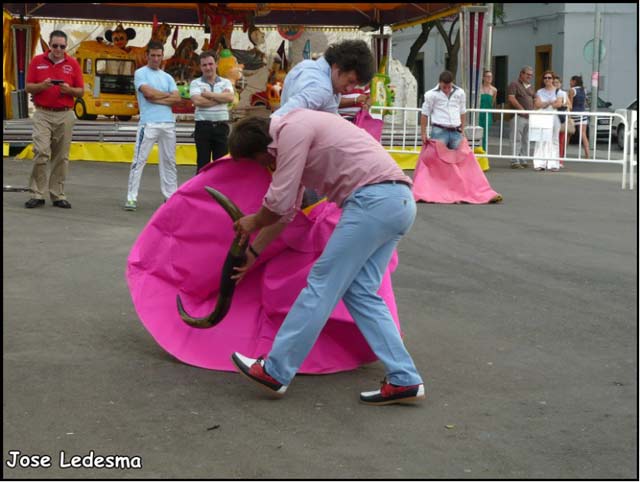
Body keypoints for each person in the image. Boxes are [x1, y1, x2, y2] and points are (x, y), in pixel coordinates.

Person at [227, 111, 424, 406]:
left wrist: (253, 222)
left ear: (264, 148)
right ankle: (404, 378)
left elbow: (278, 201)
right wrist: (254, 254)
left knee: (321, 284)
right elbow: (287, 211)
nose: (266, 167)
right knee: (361, 292)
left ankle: (275, 370)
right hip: (399, 203)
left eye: (261, 162)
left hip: (371, 202)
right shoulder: (299, 128)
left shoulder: (291, 131)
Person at [24, 30, 84, 209]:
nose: (58, 49)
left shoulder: (72, 64)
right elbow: (27, 87)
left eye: (62, 46)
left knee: (61, 157)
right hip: (42, 112)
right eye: (55, 45)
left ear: (66, 47)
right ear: (49, 45)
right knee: (41, 151)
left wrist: (69, 90)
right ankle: (37, 193)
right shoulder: (37, 61)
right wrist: (42, 86)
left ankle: (57, 195)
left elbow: (81, 91)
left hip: (65, 113)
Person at [124, 41, 181, 211]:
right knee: (139, 160)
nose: (156, 59)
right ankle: (131, 197)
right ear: (147, 56)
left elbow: (177, 98)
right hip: (148, 123)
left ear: (162, 56)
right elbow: (147, 93)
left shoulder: (167, 77)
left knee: (169, 161)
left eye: (159, 55)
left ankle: (171, 197)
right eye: (153, 55)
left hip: (168, 123)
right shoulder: (140, 73)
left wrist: (157, 97)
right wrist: (166, 96)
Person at [272, 39, 375, 117]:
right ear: (337, 66)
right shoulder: (321, 88)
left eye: (355, 85)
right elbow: (281, 116)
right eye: (350, 81)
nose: (349, 89)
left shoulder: (307, 65)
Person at [189, 50, 235, 174]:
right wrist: (220, 98)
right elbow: (198, 101)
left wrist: (209, 94)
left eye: (210, 64)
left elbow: (230, 98)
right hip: (203, 126)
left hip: (221, 126)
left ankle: (219, 191)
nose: (208, 67)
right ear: (200, 67)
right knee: (202, 164)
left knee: (221, 165)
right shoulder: (195, 83)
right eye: (204, 65)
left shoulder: (226, 82)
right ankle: (200, 192)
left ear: (216, 64)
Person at [420, 70, 466, 150]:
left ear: (452, 83)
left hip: (456, 131)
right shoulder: (431, 95)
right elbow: (425, 114)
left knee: (459, 158)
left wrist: (462, 129)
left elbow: (462, 111)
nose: (447, 90)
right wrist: (423, 133)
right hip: (439, 130)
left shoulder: (460, 93)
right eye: (444, 87)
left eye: (449, 87)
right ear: (439, 83)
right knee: (438, 158)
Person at [532, 70, 563, 171]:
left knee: (554, 140)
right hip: (542, 116)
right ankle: (539, 163)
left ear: (553, 79)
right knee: (541, 139)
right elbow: (537, 104)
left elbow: (558, 104)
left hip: (553, 116)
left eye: (549, 78)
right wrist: (549, 102)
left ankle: (553, 163)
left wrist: (544, 103)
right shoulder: (539, 91)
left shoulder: (558, 91)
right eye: (545, 78)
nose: (547, 79)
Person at [506, 66, 536, 168]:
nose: (529, 77)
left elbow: (535, 100)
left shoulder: (531, 87)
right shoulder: (514, 84)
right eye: (527, 74)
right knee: (516, 139)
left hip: (529, 117)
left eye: (531, 75)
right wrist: (522, 109)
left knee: (525, 139)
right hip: (518, 116)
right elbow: (511, 98)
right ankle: (515, 161)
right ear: (521, 74)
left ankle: (523, 159)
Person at [568, 75, 590, 158]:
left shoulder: (572, 90)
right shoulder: (584, 90)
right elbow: (585, 103)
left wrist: (569, 115)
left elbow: (570, 104)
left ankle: (562, 153)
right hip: (583, 113)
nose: (569, 83)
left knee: (568, 133)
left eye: (570, 81)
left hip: (574, 114)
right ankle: (587, 155)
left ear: (574, 81)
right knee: (583, 134)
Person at [553, 75, 570, 165]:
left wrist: (563, 105)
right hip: (551, 118)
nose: (555, 84)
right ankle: (551, 158)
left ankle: (560, 160)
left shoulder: (563, 93)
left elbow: (569, 105)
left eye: (557, 83)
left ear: (560, 84)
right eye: (554, 82)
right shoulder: (550, 92)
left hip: (561, 118)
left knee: (560, 140)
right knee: (551, 139)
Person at [478, 70, 497, 152]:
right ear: (483, 78)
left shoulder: (494, 90)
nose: (489, 78)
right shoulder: (478, 88)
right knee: (477, 133)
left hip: (487, 114)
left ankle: (484, 152)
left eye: (491, 76)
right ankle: (476, 151)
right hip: (478, 114)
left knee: (485, 135)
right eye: (487, 76)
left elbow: (492, 103)